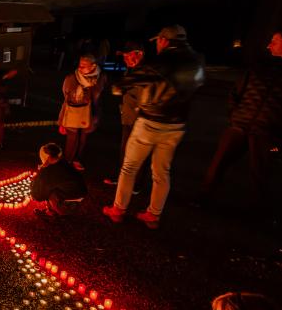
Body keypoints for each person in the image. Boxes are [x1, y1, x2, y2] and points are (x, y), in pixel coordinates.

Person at [103, 25, 205, 229]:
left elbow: (130, 81)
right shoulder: (196, 60)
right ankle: (154, 214)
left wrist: (119, 86)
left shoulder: (161, 61)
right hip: (177, 125)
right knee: (162, 172)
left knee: (130, 167)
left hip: (150, 121)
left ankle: (118, 209)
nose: (157, 44)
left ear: (165, 41)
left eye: (158, 40)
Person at [198, 31, 282, 221]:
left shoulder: (260, 68)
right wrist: (235, 115)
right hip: (240, 125)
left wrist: (277, 136)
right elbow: (235, 93)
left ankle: (255, 212)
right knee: (218, 165)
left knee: (259, 173)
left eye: (274, 42)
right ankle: (203, 198)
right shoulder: (259, 68)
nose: (269, 46)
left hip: (266, 132)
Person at [104, 41, 150, 193]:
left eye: (127, 56)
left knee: (138, 153)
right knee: (125, 150)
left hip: (140, 121)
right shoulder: (130, 70)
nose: (124, 59)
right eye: (123, 56)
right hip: (128, 118)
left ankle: (135, 184)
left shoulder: (146, 73)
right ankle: (123, 177)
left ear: (139, 54)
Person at [58, 54, 107, 171]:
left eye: (83, 66)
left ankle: (77, 159)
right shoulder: (72, 78)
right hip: (73, 112)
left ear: (93, 66)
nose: (80, 68)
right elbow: (66, 94)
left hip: (91, 113)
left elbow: (102, 96)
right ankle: (67, 160)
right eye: (79, 65)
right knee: (72, 138)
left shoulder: (101, 78)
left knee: (83, 138)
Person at [30, 143, 88, 216]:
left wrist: (35, 181)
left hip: (71, 196)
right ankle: (71, 206)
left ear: (45, 157)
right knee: (51, 187)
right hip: (81, 192)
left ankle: (55, 212)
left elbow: (39, 195)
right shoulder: (64, 162)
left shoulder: (48, 171)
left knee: (49, 191)